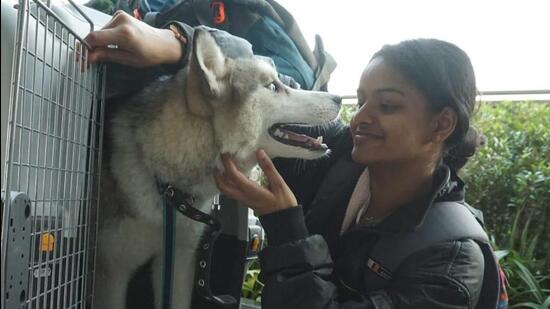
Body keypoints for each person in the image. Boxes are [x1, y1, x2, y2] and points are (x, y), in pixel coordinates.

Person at [85, 11, 494, 309]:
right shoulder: (335, 157)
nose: (361, 116)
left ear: (441, 125)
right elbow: (251, 80)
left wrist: (286, 226)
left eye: (387, 105)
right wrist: (178, 42)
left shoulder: (452, 263)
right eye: (363, 99)